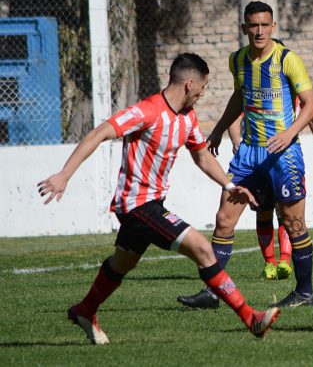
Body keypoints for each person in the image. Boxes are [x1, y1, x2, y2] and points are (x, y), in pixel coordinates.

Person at [36, 53, 280, 344]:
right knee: (203, 249)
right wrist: (65, 174)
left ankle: (85, 310)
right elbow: (99, 133)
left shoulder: (187, 118)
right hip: (137, 205)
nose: (202, 95)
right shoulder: (146, 112)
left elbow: (202, 156)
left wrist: (229, 186)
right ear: (189, 84)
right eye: (202, 89)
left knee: (122, 263)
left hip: (152, 205)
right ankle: (250, 317)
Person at [177, 1, 313, 310]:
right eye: (253, 25)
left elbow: (311, 105)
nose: (258, 31)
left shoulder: (287, 60)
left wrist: (290, 132)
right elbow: (239, 97)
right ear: (244, 28)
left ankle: (305, 291)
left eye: (264, 25)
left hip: (284, 152)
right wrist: (217, 130)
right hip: (249, 153)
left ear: (273, 27)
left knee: (294, 223)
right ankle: (214, 292)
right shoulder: (237, 60)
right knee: (224, 218)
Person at [228, 110, 313, 281]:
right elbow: (234, 116)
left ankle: (284, 261)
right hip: (258, 160)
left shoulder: (298, 94)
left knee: (288, 214)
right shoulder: (256, 91)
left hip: (287, 159)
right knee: (263, 211)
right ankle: (270, 263)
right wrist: (235, 140)